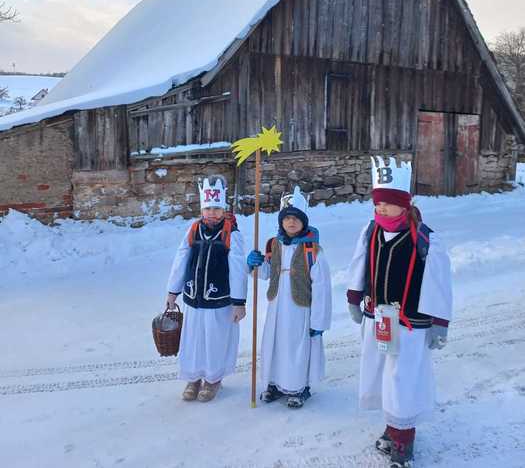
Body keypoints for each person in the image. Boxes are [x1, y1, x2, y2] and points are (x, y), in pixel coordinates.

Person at [346, 156, 452, 467]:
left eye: (388, 204)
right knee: (382, 375)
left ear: (404, 205)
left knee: (403, 378)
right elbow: (360, 265)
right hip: (378, 319)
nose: (381, 209)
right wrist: (354, 297)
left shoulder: (424, 238)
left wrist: (439, 321)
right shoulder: (371, 232)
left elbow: (438, 280)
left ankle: (404, 438)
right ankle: (393, 427)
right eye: (377, 204)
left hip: (409, 324)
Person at [248, 186, 332, 408]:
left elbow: (322, 287)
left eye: (296, 218)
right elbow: (267, 273)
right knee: (275, 345)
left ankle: (298, 387)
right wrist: (255, 264)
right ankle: (274, 383)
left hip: (299, 309)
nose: (291, 222)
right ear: (281, 222)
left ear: (304, 221)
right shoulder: (274, 244)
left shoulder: (312, 251)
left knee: (296, 347)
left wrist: (318, 322)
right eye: (287, 218)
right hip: (276, 307)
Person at [166, 175, 247, 402]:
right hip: (194, 298)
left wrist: (239, 302)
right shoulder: (194, 230)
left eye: (217, 208)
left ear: (224, 209)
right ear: (202, 209)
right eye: (208, 208)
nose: (212, 213)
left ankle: (213, 378)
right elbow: (181, 259)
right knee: (193, 340)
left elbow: (238, 269)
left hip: (219, 301)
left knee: (215, 340)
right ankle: (193, 377)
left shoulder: (232, 234)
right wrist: (173, 291)